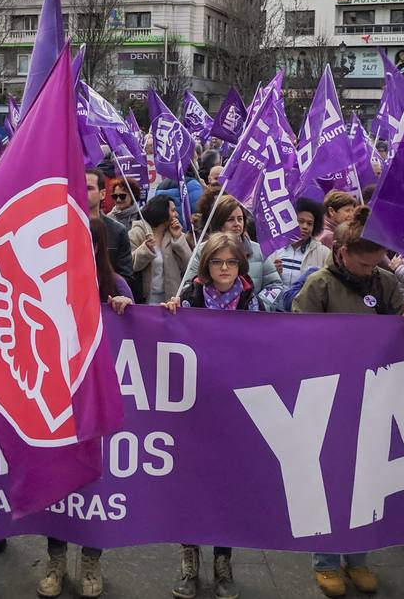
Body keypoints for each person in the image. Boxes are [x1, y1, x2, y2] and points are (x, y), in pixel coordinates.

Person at [293, 205, 404, 596]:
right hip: (329, 396)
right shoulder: (318, 285)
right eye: (364, 264)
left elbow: (397, 327)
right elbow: (297, 340)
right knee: (330, 479)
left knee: (369, 478)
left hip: (374, 394)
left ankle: (359, 557)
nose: (371, 271)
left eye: (375, 264)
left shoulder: (384, 282)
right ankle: (326, 558)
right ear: (342, 252)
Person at [36, 219, 132, 599]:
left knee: (97, 484)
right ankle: (55, 559)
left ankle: (91, 559)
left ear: (98, 247)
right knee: (57, 483)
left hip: (98, 403)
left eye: (87, 243)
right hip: (55, 404)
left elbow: (142, 337)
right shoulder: (44, 288)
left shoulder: (116, 285)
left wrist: (128, 310)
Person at [162, 231, 254, 599]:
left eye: (231, 262)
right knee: (190, 486)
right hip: (192, 407)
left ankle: (223, 561)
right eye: (217, 262)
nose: (225, 268)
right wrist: (170, 315)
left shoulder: (251, 300)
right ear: (206, 266)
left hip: (232, 407)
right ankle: (189, 559)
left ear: (240, 265)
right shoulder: (190, 297)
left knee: (225, 488)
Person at [179, 199, 281, 296]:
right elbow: (188, 287)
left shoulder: (258, 250)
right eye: (230, 219)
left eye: (240, 219)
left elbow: (275, 286)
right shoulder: (202, 250)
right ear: (219, 223)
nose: (237, 224)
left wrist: (258, 305)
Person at [131, 195, 192, 304]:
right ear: (162, 212)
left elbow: (189, 266)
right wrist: (146, 249)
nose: (176, 214)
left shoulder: (174, 234)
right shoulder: (137, 233)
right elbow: (130, 265)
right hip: (144, 302)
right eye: (173, 211)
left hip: (171, 302)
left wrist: (178, 239)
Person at [86, 169, 137, 299]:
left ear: (102, 194)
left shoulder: (117, 230)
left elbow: (126, 275)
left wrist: (119, 297)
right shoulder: (66, 227)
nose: (83, 192)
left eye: (89, 188)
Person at [268, 197, 332, 287]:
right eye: (300, 221)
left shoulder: (323, 253)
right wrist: (271, 273)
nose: (305, 226)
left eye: (310, 223)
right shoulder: (273, 248)